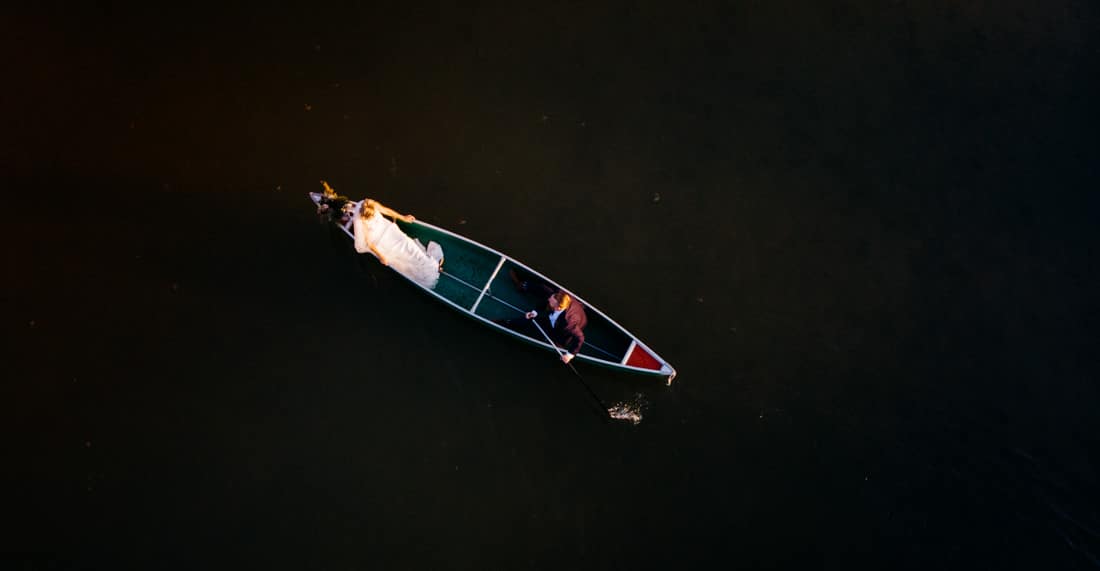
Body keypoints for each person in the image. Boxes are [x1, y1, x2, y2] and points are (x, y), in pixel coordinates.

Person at [328, 183, 443, 289]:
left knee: (409, 244)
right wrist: (380, 256)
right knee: (402, 257)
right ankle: (425, 272)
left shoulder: (370, 203)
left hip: (389, 230)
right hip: (379, 240)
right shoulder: (361, 219)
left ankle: (430, 265)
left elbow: (386, 211)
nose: (373, 217)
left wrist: (403, 217)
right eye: (369, 217)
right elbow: (368, 242)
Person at [500, 274, 587, 363]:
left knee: (534, 326)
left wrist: (570, 355)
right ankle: (525, 285)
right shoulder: (561, 297)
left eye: (551, 301)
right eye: (551, 297)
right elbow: (547, 301)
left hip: (566, 329)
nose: (549, 299)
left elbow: (580, 338)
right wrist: (535, 312)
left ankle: (508, 323)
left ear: (558, 308)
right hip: (574, 313)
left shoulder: (568, 323)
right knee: (546, 292)